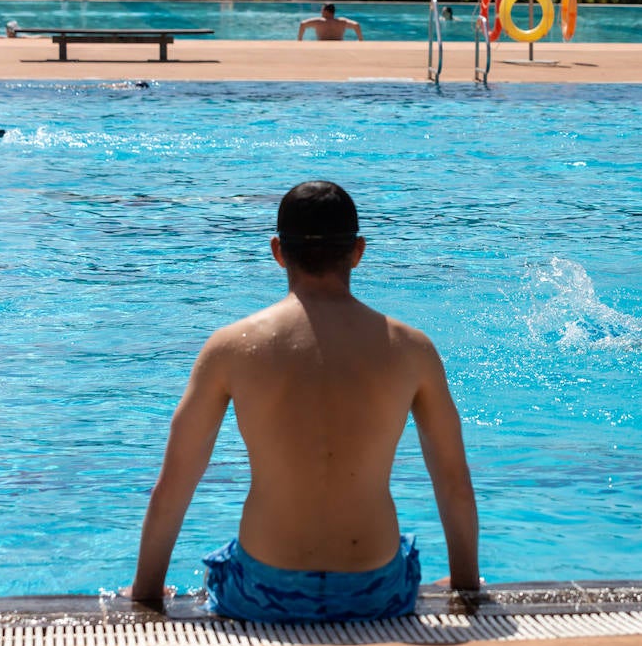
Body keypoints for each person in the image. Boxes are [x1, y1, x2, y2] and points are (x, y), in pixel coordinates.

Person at [130, 181, 480, 623]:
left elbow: (174, 485)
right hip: (375, 592)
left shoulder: (230, 347)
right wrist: (466, 587)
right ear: (357, 251)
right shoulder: (412, 349)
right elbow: (453, 483)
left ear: (278, 251)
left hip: (263, 588)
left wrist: (145, 593)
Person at [298, 3, 363, 41]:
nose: (321, 12)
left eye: (322, 10)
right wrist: (360, 41)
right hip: (338, 48)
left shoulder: (318, 21)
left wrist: (300, 40)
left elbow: (302, 24)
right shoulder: (341, 21)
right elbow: (356, 25)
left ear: (326, 11)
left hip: (322, 48)